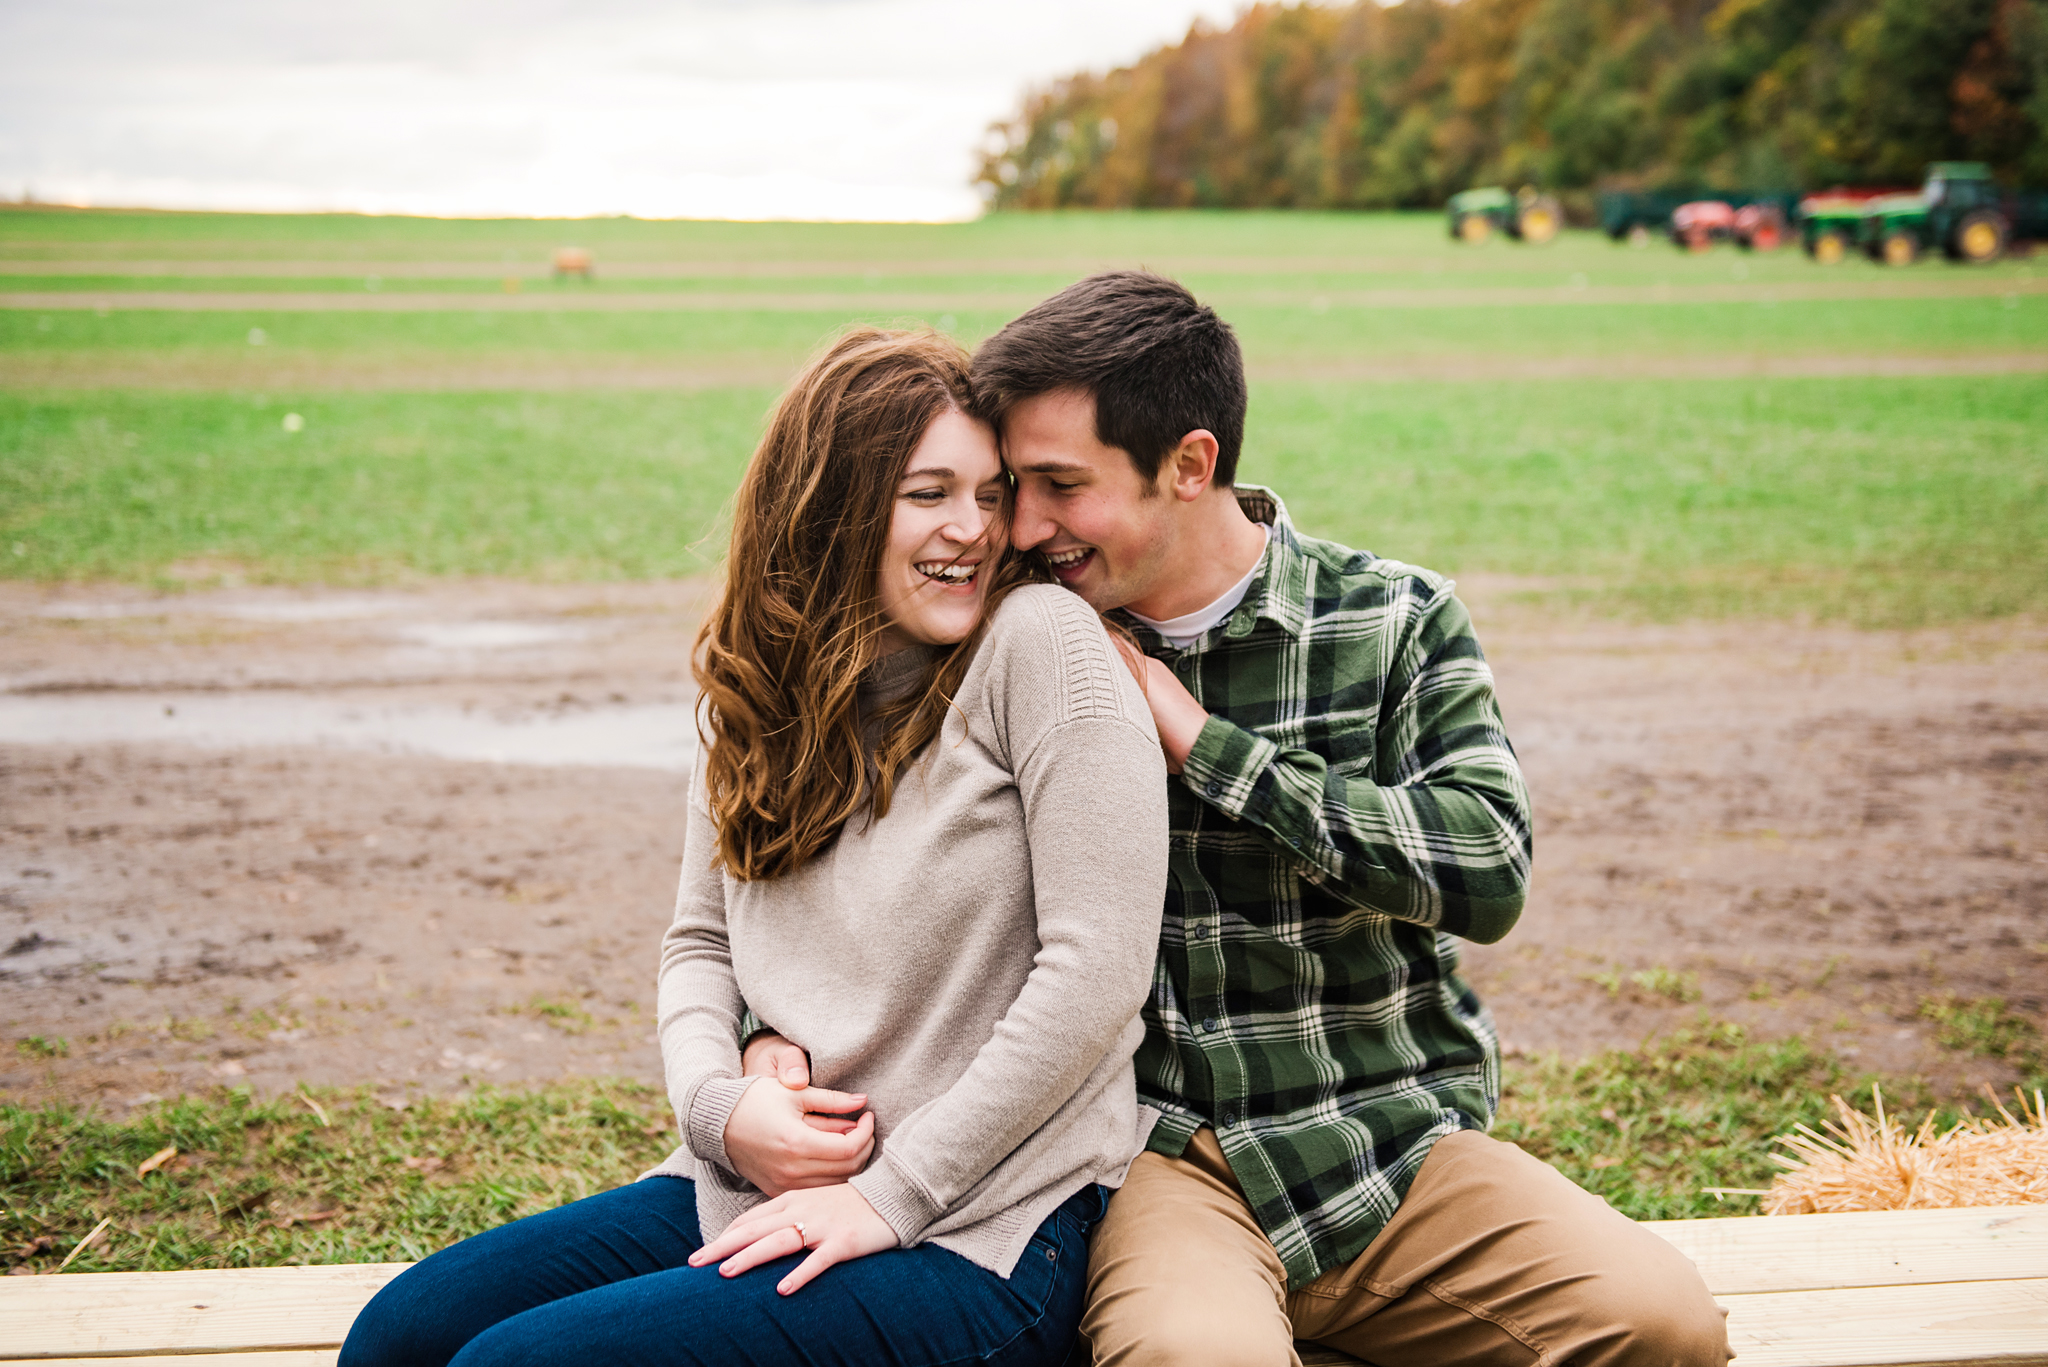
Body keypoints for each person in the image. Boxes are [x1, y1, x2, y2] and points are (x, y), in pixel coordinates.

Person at [742, 275, 1733, 1366]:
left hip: (1385, 1137)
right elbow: (860, 849)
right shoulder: (1019, 637)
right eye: (1013, 484)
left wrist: (1205, 746)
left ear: (1189, 463)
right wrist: (768, 1029)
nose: (1018, 526)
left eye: (1059, 485)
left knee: (1662, 1324)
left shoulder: (1390, 617)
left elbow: (1487, 864)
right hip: (1156, 1157)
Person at [339, 326, 1169, 1367]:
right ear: (831, 507)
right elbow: (697, 943)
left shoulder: (1038, 645)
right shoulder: (756, 692)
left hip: (987, 1227)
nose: (974, 529)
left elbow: (1097, 973)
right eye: (928, 493)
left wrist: (890, 1194)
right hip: (756, 1182)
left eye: (990, 492)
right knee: (399, 1339)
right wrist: (721, 1110)